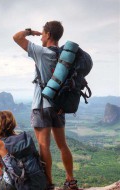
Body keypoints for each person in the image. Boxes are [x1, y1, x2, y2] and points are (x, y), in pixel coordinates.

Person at [13, 21, 79, 190]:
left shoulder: (42, 53)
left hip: (41, 105)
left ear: (48, 34)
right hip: (59, 105)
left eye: (43, 33)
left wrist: (31, 32)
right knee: (62, 145)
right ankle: (70, 180)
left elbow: (17, 37)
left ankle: (48, 183)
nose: (41, 36)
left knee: (44, 145)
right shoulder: (65, 57)